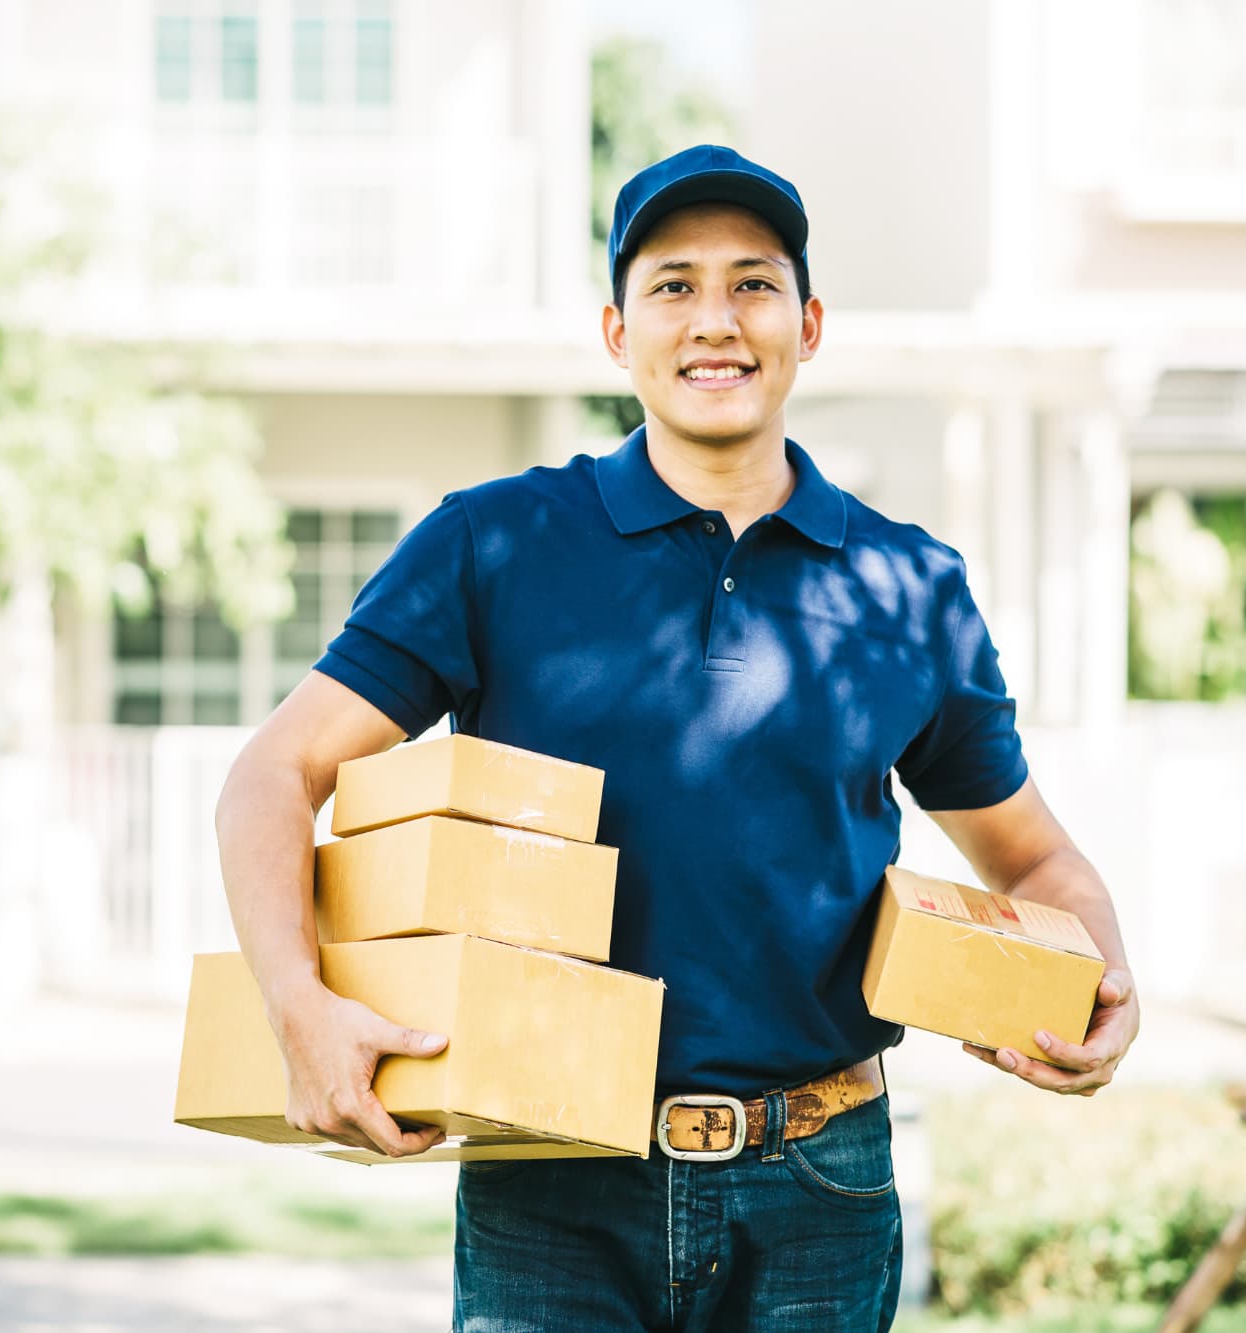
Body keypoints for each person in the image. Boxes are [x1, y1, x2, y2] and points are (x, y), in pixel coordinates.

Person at [212, 144, 1140, 1331]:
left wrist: (1104, 982)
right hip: (548, 1177)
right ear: (616, 332)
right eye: (671, 286)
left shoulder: (908, 587)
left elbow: (1032, 857)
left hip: (818, 1188)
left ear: (807, 325)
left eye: (752, 284)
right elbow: (273, 774)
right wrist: (296, 1003)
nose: (714, 320)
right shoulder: (492, 544)